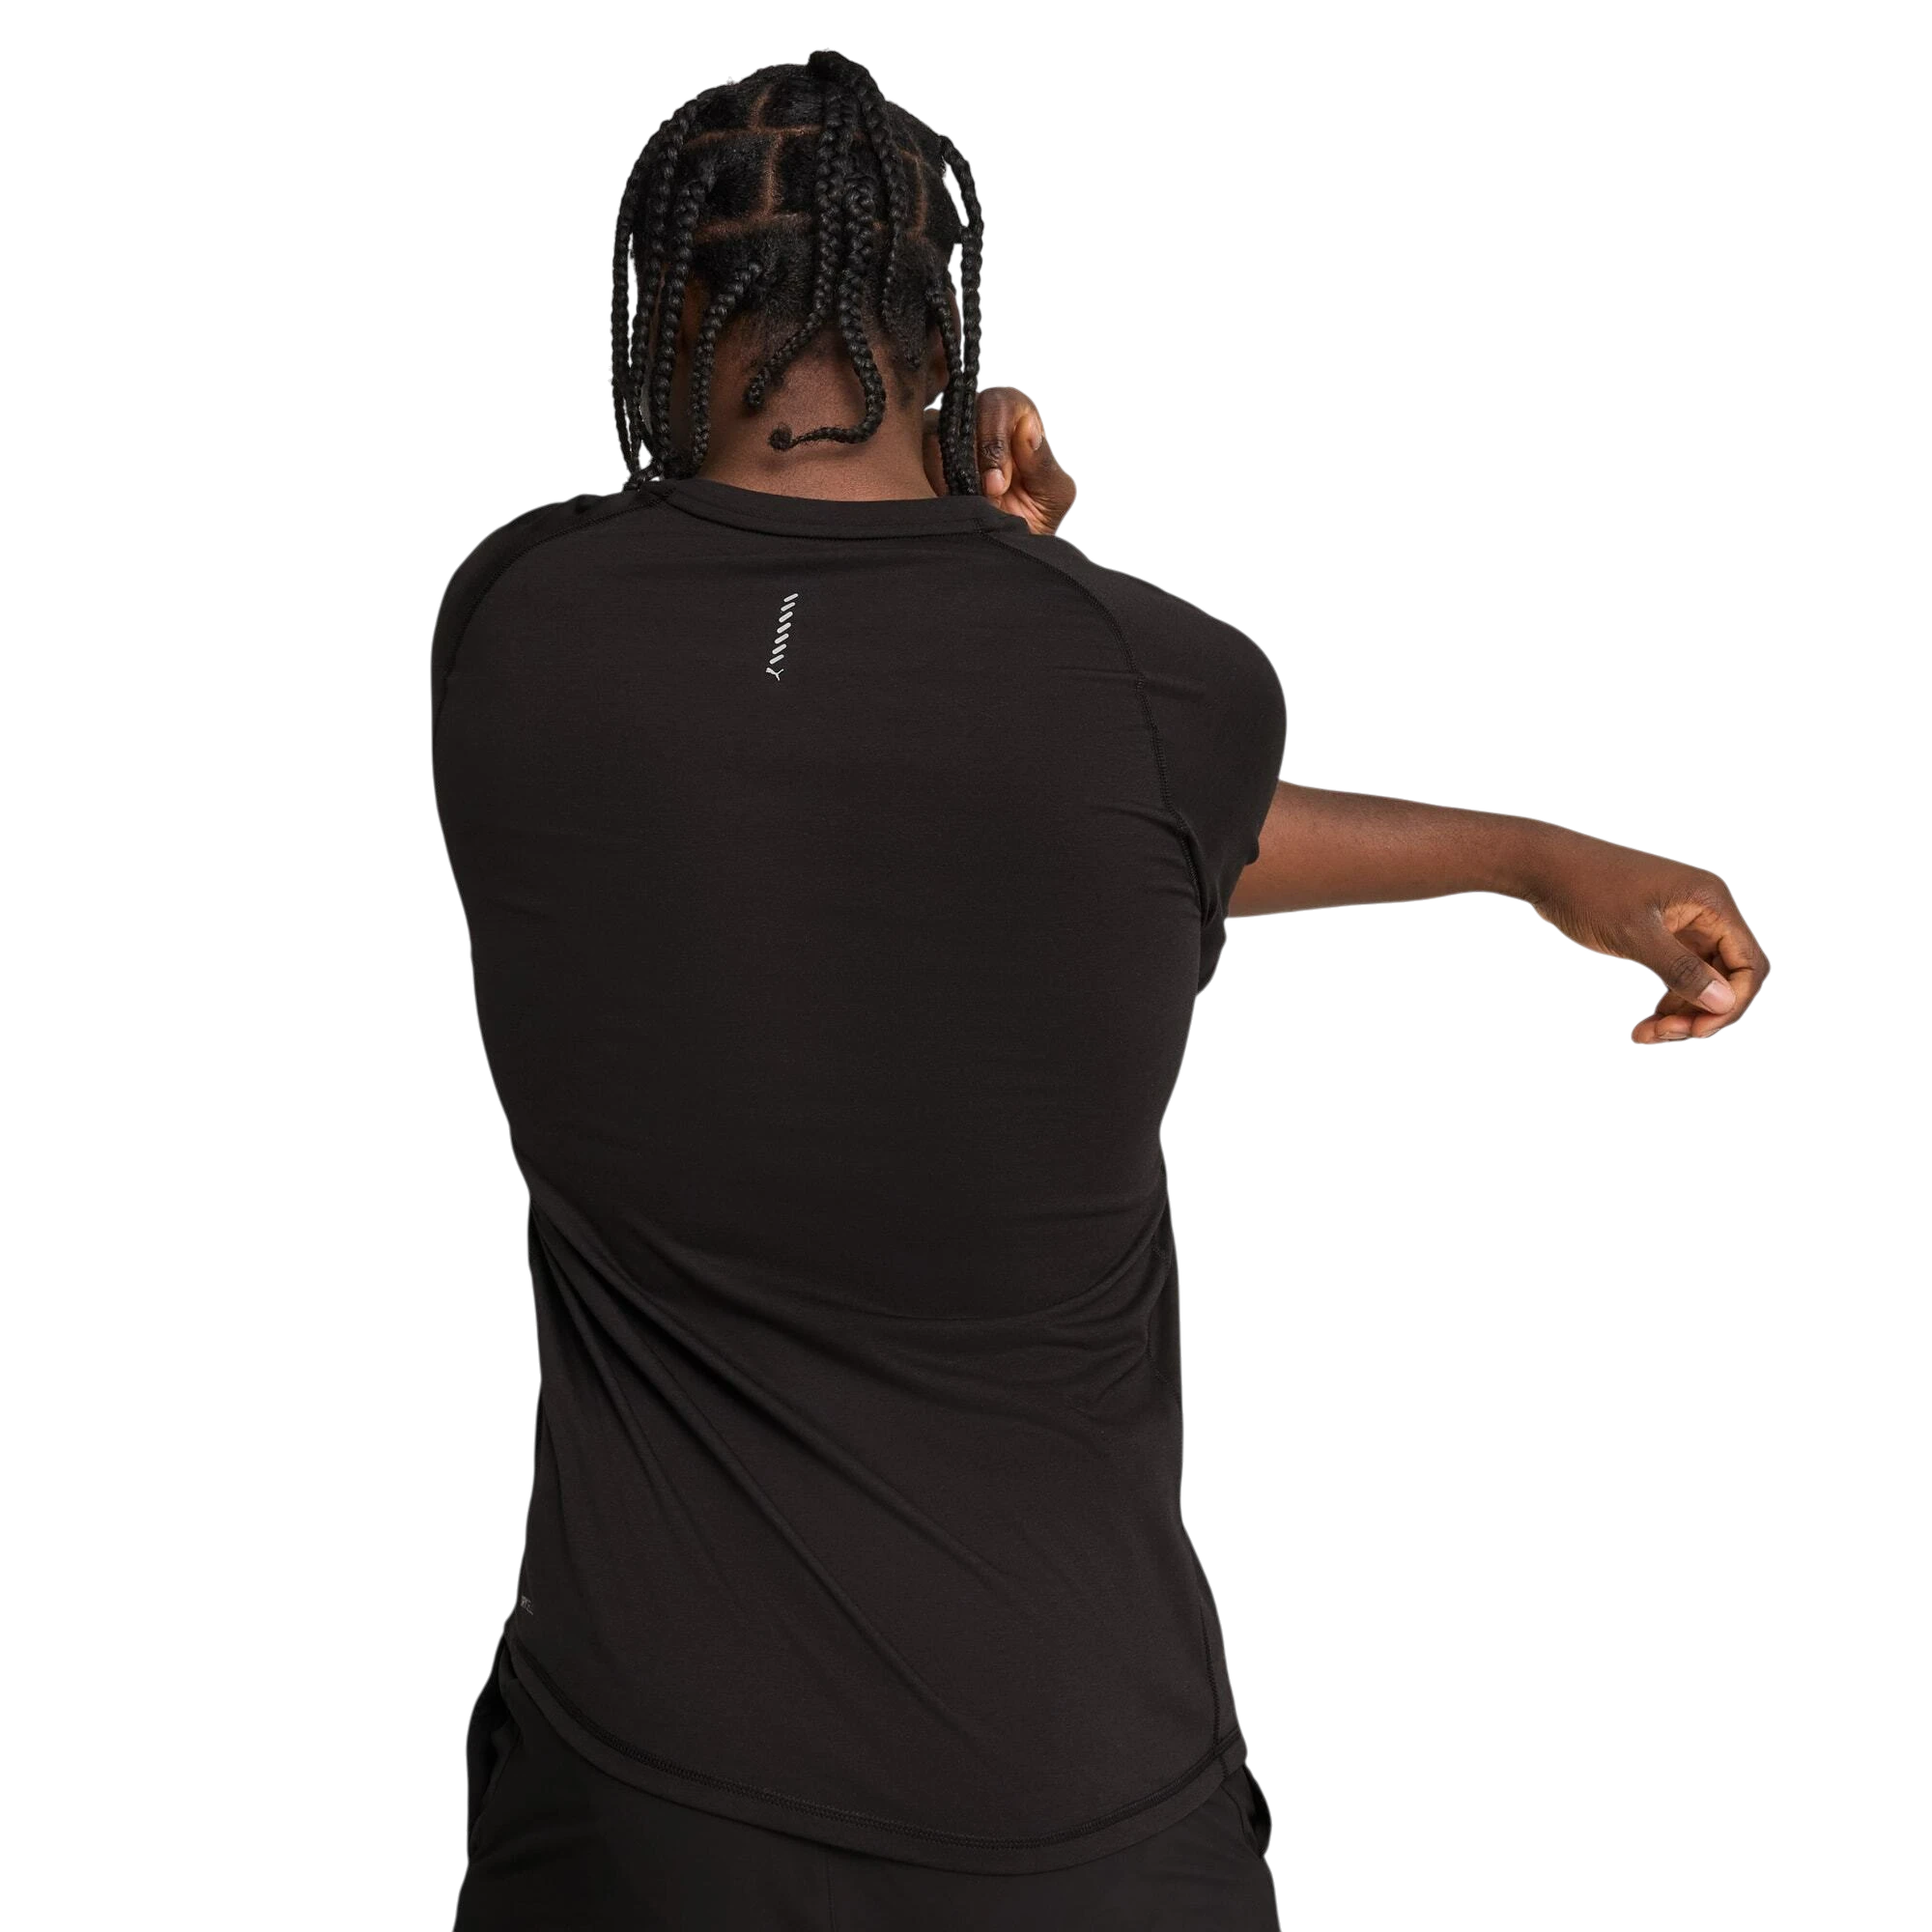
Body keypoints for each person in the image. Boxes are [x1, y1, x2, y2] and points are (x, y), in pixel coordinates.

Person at [436, 48, 1770, 1932]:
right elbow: (1078, 792)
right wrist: (1522, 846)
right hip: (1068, 1797)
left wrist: (1521, 857)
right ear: (947, 327)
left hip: (637, 1796)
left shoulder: (511, 629)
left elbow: (829, 717)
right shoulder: (1166, 685)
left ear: (665, 310)